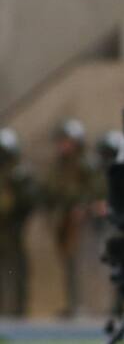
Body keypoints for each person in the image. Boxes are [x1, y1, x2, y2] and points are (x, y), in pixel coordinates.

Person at [43, 118, 97, 318]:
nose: (62, 146)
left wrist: (85, 207)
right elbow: (50, 191)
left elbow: (96, 191)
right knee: (69, 263)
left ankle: (84, 304)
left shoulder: (86, 166)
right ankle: (72, 303)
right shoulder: (59, 167)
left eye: (66, 141)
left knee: (83, 263)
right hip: (64, 220)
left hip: (84, 222)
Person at [0, 127, 36, 316]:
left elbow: (28, 200)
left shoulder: (19, 174)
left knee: (16, 271)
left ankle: (18, 311)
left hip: (12, 230)